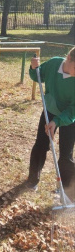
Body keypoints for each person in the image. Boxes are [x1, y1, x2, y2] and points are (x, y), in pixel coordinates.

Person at [27, 49, 75, 201]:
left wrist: (58, 121)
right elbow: (37, 75)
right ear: (68, 58)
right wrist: (34, 67)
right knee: (41, 145)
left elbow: (73, 110)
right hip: (50, 110)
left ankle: (67, 192)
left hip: (69, 117)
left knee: (66, 154)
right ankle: (32, 180)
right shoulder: (54, 63)